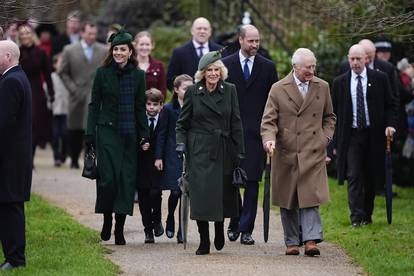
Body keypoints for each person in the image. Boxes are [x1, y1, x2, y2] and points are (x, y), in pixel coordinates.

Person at [261, 48, 336, 256]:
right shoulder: (278, 89)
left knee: (310, 196)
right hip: (286, 151)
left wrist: (325, 138)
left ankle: (311, 240)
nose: (311, 71)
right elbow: (268, 121)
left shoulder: (323, 86)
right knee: (289, 199)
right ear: (295, 67)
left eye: (313, 66)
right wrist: (269, 140)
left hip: (313, 150)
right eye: (307, 67)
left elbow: (330, 117)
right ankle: (292, 241)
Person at [176, 50, 245, 255]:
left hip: (224, 149)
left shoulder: (230, 90)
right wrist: (181, 144)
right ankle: (204, 240)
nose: (213, 74)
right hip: (200, 151)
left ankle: (219, 230)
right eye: (209, 70)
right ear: (203, 73)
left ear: (221, 72)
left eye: (216, 70)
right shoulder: (193, 92)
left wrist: (239, 151)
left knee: (222, 194)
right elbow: (182, 123)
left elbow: (236, 122)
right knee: (201, 195)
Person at [84, 29, 149, 245]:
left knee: (125, 181)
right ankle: (106, 219)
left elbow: (140, 108)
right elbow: (94, 105)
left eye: (122, 49)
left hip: (129, 134)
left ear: (130, 52)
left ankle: (119, 228)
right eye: (115, 49)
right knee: (108, 179)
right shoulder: (102, 73)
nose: (118, 53)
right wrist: (89, 133)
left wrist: (144, 135)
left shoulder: (138, 76)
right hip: (107, 132)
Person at [222, 24, 278, 245]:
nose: (255, 45)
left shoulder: (267, 67)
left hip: (257, 134)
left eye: (258, 41)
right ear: (241, 40)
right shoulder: (225, 65)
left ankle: (246, 229)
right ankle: (235, 221)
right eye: (251, 41)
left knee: (253, 182)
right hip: (231, 134)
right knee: (232, 180)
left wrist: (270, 132)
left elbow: (273, 103)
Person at [331, 44, 398, 228]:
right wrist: (334, 142)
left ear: (366, 59)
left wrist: (390, 125)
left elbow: (391, 105)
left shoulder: (379, 79)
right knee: (353, 175)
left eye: (358, 59)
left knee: (370, 176)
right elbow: (334, 114)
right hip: (351, 135)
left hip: (373, 134)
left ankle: (367, 215)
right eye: (351, 59)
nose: (355, 63)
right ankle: (356, 217)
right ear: (348, 59)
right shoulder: (340, 82)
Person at [0, 40, 32, 270]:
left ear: (8, 57)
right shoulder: (18, 77)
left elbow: (4, 124)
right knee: (12, 207)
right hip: (16, 156)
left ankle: (15, 259)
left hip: (9, 158)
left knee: (10, 208)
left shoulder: (11, 81)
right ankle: (14, 257)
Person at [59, 22, 107, 169]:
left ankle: (89, 161)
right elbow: (63, 72)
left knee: (91, 130)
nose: (92, 37)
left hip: (95, 96)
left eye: (94, 34)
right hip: (76, 95)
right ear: (82, 33)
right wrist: (72, 88)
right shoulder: (69, 50)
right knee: (75, 129)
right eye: (89, 33)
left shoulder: (103, 50)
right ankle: (73, 159)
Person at [155, 74, 193, 243]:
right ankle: (170, 217)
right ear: (176, 90)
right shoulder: (169, 110)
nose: (189, 91)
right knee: (176, 191)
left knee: (186, 192)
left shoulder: (195, 106)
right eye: (185, 88)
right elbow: (161, 134)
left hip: (191, 154)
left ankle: (181, 229)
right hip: (172, 154)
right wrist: (158, 157)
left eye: (191, 88)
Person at [17, 22, 55, 165]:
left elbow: (47, 74)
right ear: (19, 37)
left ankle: (30, 159)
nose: (25, 36)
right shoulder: (17, 52)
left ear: (32, 35)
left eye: (28, 33)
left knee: (34, 125)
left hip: (36, 92)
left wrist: (51, 93)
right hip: (19, 90)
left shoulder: (41, 53)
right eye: (22, 33)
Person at [137, 88, 164, 244]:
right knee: (143, 196)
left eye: (155, 104)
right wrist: (140, 145)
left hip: (157, 162)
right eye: (148, 104)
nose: (151, 107)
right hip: (141, 163)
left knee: (155, 193)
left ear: (161, 105)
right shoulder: (139, 119)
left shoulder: (163, 118)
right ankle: (148, 230)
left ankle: (157, 219)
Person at [166, 17, 221, 91]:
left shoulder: (219, 51)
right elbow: (170, 80)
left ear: (210, 32)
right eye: (199, 28)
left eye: (205, 29)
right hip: (188, 99)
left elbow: (226, 77)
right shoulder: (179, 53)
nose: (202, 31)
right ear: (192, 31)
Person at [134, 31, 167, 99]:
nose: (144, 47)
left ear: (152, 46)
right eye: (141, 44)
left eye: (147, 44)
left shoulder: (159, 66)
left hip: (152, 107)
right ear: (135, 45)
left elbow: (163, 91)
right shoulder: (129, 65)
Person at [50, 54, 69, 167]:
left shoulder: (67, 76)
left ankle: (63, 155)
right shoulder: (52, 77)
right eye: (59, 63)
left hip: (66, 109)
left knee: (65, 134)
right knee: (55, 134)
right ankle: (56, 157)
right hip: (55, 110)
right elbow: (47, 90)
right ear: (54, 65)